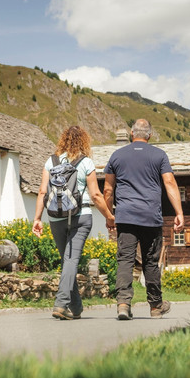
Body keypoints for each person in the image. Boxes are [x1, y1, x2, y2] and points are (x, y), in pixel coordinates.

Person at [103, 119, 184, 320]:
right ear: (149, 135)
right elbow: (170, 183)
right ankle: (156, 306)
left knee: (125, 260)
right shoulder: (159, 155)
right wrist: (179, 212)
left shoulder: (117, 155)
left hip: (125, 216)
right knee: (150, 262)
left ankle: (123, 304)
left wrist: (109, 216)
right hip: (151, 217)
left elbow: (107, 189)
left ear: (132, 133)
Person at [32, 125, 114, 320]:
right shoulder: (86, 162)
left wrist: (37, 218)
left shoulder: (50, 161)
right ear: (84, 141)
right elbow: (95, 194)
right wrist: (109, 216)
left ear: (63, 140)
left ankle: (76, 308)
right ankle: (61, 304)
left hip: (55, 217)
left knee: (68, 260)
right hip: (81, 216)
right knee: (71, 260)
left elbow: (43, 192)